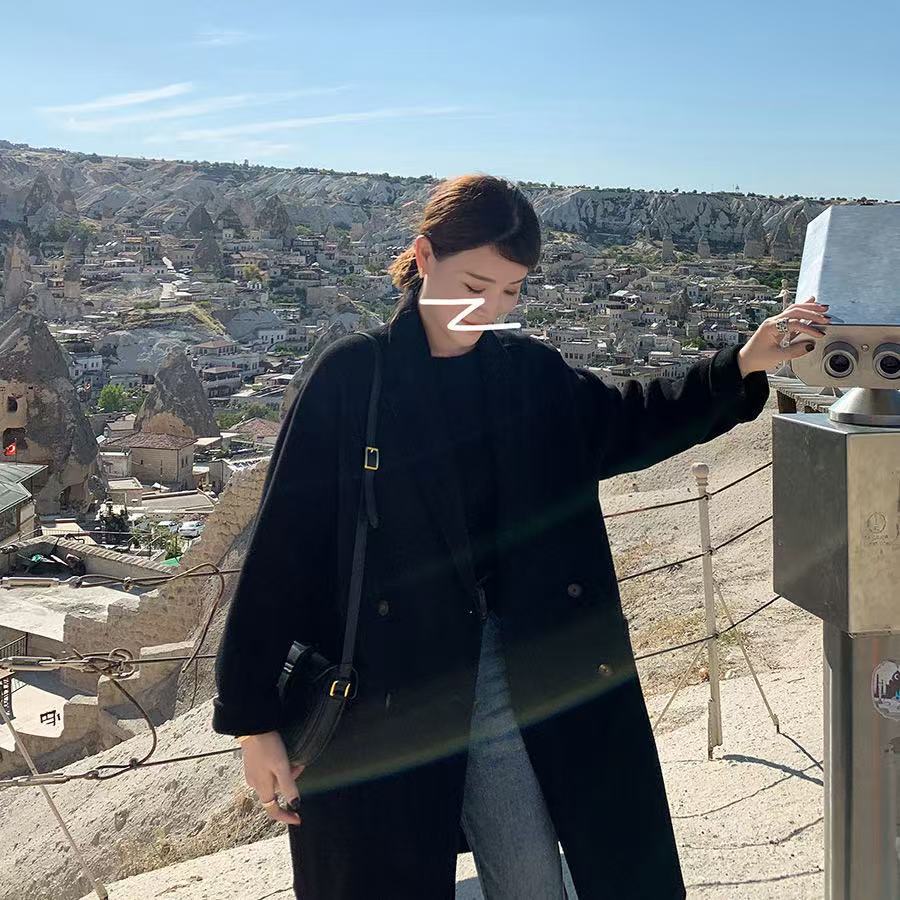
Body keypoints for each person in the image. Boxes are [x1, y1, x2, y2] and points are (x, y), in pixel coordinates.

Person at [212, 173, 829, 900]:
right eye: (475, 284)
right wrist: (254, 723)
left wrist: (741, 364)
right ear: (424, 257)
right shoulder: (352, 378)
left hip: (507, 667)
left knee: (534, 875)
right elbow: (282, 553)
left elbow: (630, 422)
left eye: (509, 291)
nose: (489, 308)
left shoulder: (526, 373)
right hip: (385, 690)